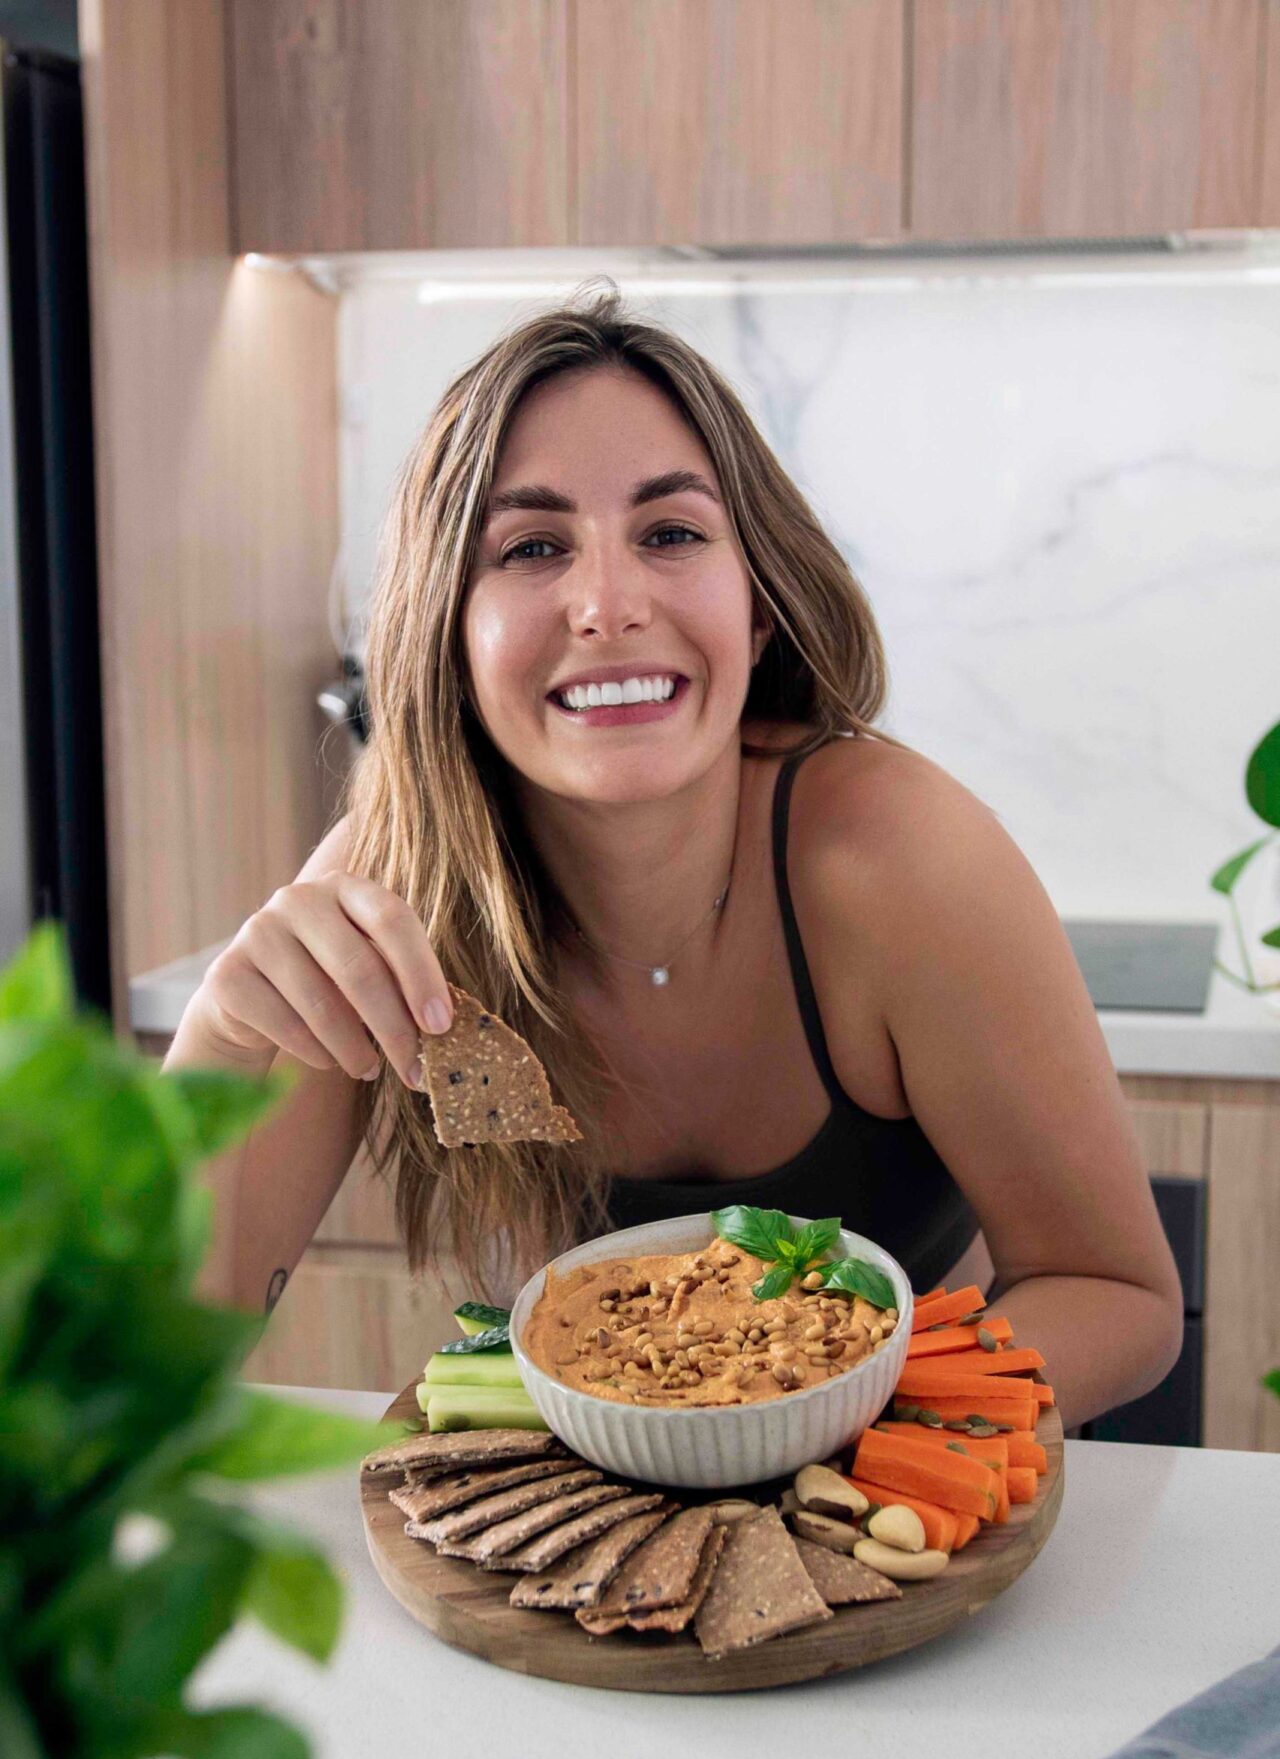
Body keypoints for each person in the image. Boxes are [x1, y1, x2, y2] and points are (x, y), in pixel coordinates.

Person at [164, 280, 1183, 1431]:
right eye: (531, 546)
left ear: (756, 606)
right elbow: (128, 1366)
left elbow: (1116, 1294)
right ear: (446, 632)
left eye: (670, 534)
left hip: (894, 1497)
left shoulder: (897, 859)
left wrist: (815, 1443)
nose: (607, 604)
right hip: (578, 1517)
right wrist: (222, 1043)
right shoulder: (393, 891)